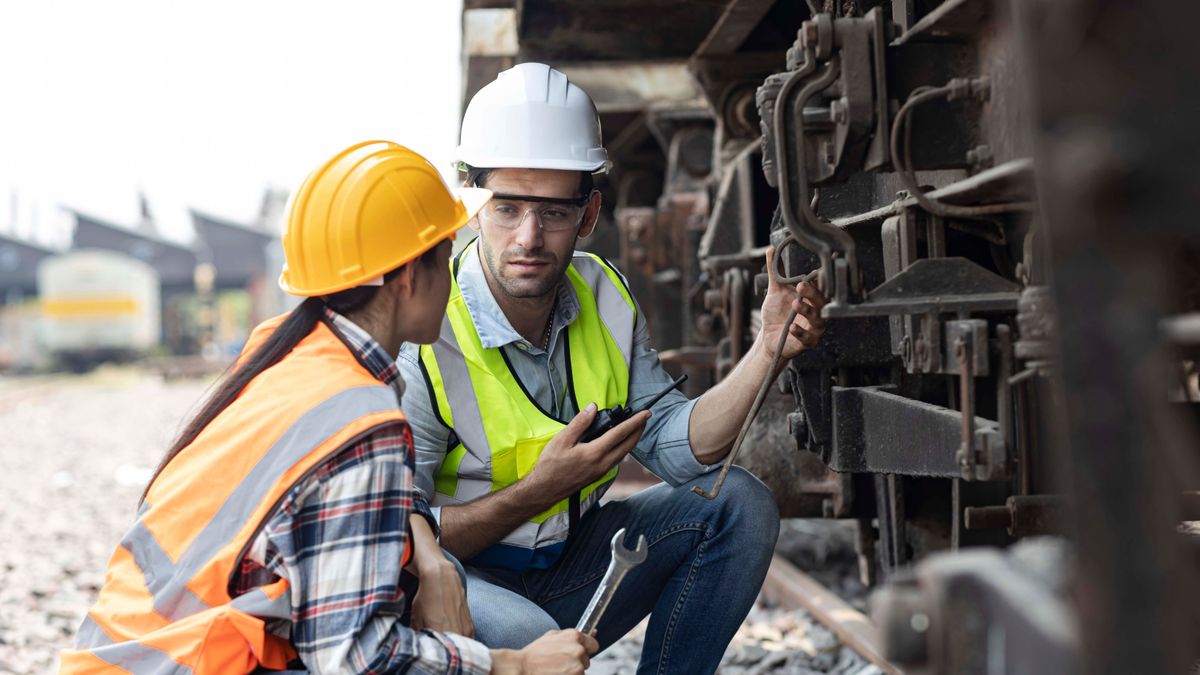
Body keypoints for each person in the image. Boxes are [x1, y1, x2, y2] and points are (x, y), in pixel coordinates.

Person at [61, 141, 599, 674]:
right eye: (446, 253)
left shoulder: (281, 354)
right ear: (411, 273)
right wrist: (512, 665)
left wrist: (431, 560)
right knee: (503, 646)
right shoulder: (361, 421)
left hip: (125, 657)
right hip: (188, 664)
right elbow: (353, 657)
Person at [396, 64, 828, 673]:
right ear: (471, 207)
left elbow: (680, 451)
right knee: (529, 633)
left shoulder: (604, 295)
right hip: (465, 586)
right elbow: (400, 542)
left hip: (571, 565)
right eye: (506, 208)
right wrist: (539, 491)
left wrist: (767, 349)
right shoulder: (427, 331)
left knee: (738, 503)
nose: (527, 237)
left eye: (552, 212)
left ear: (589, 214)